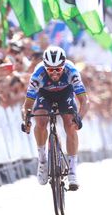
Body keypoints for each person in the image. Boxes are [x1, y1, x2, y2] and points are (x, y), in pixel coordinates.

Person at [21, 45, 89, 191]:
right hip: (44, 94)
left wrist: (80, 117)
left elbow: (84, 101)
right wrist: (25, 120)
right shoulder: (38, 75)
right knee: (40, 120)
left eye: (58, 69)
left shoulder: (72, 72)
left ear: (63, 66)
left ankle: (72, 170)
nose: (54, 73)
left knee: (70, 124)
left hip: (65, 93)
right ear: (45, 66)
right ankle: (43, 160)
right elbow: (27, 105)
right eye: (50, 69)